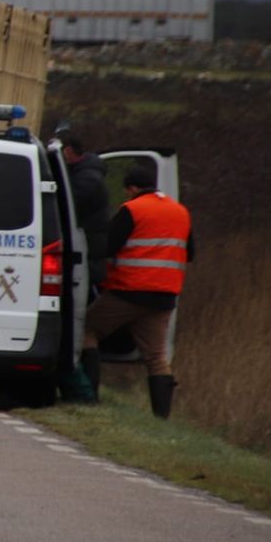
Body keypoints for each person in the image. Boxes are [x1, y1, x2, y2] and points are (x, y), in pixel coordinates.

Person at [80, 165, 194, 417]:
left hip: (127, 291)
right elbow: (190, 253)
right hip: (164, 297)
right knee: (156, 356)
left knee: (87, 330)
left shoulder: (132, 209)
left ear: (131, 189)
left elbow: (110, 246)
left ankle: (88, 398)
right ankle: (161, 417)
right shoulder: (180, 212)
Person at [60, 131, 110, 290]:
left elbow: (67, 206)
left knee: (86, 284)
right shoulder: (85, 172)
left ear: (68, 151)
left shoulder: (87, 178)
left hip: (90, 243)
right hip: (90, 241)